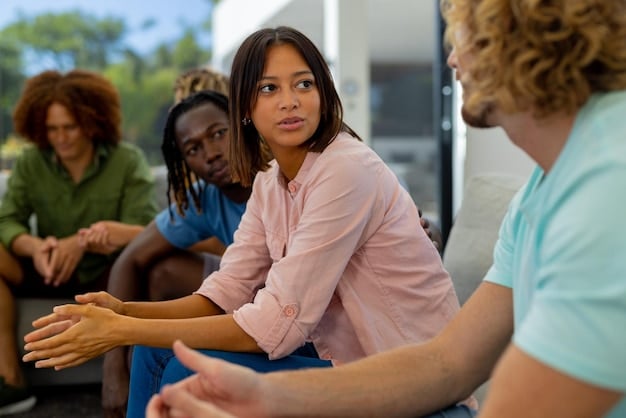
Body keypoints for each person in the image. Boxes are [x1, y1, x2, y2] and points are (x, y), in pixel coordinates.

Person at [141, 1, 626, 417]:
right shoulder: (539, 195)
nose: (453, 60)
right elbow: (448, 363)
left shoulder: (605, 186)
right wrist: (268, 395)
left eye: (470, 40)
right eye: (269, 88)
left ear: (532, 43)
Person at [22, 25, 460, 418]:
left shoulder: (346, 169)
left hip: (403, 377)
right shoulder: (270, 183)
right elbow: (226, 292)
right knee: (153, 353)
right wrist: (123, 311)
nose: (289, 101)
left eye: (303, 84)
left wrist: (121, 330)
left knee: (188, 372)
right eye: (269, 88)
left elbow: (278, 323)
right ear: (246, 109)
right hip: (340, 356)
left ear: (323, 94)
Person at [0, 69, 158, 415]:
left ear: (91, 121)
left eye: (69, 127)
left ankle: (132, 378)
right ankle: (10, 380)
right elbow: (8, 221)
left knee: (147, 263)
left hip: (109, 274)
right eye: (52, 129)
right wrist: (35, 247)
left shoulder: (126, 160)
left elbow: (148, 230)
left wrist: (85, 240)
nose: (61, 138)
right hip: (48, 268)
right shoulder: (30, 162)